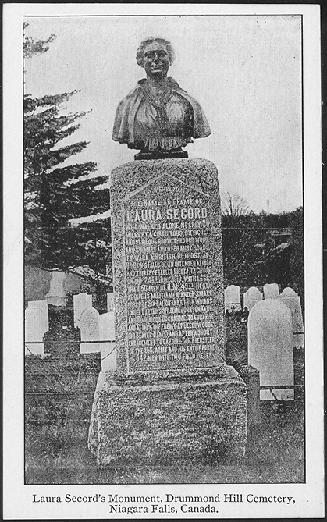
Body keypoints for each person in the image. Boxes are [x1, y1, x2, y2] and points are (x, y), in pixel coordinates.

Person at [112, 37, 211, 157]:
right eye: (149, 55)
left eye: (161, 54)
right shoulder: (128, 104)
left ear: (170, 59)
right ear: (141, 61)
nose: (156, 59)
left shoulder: (188, 103)